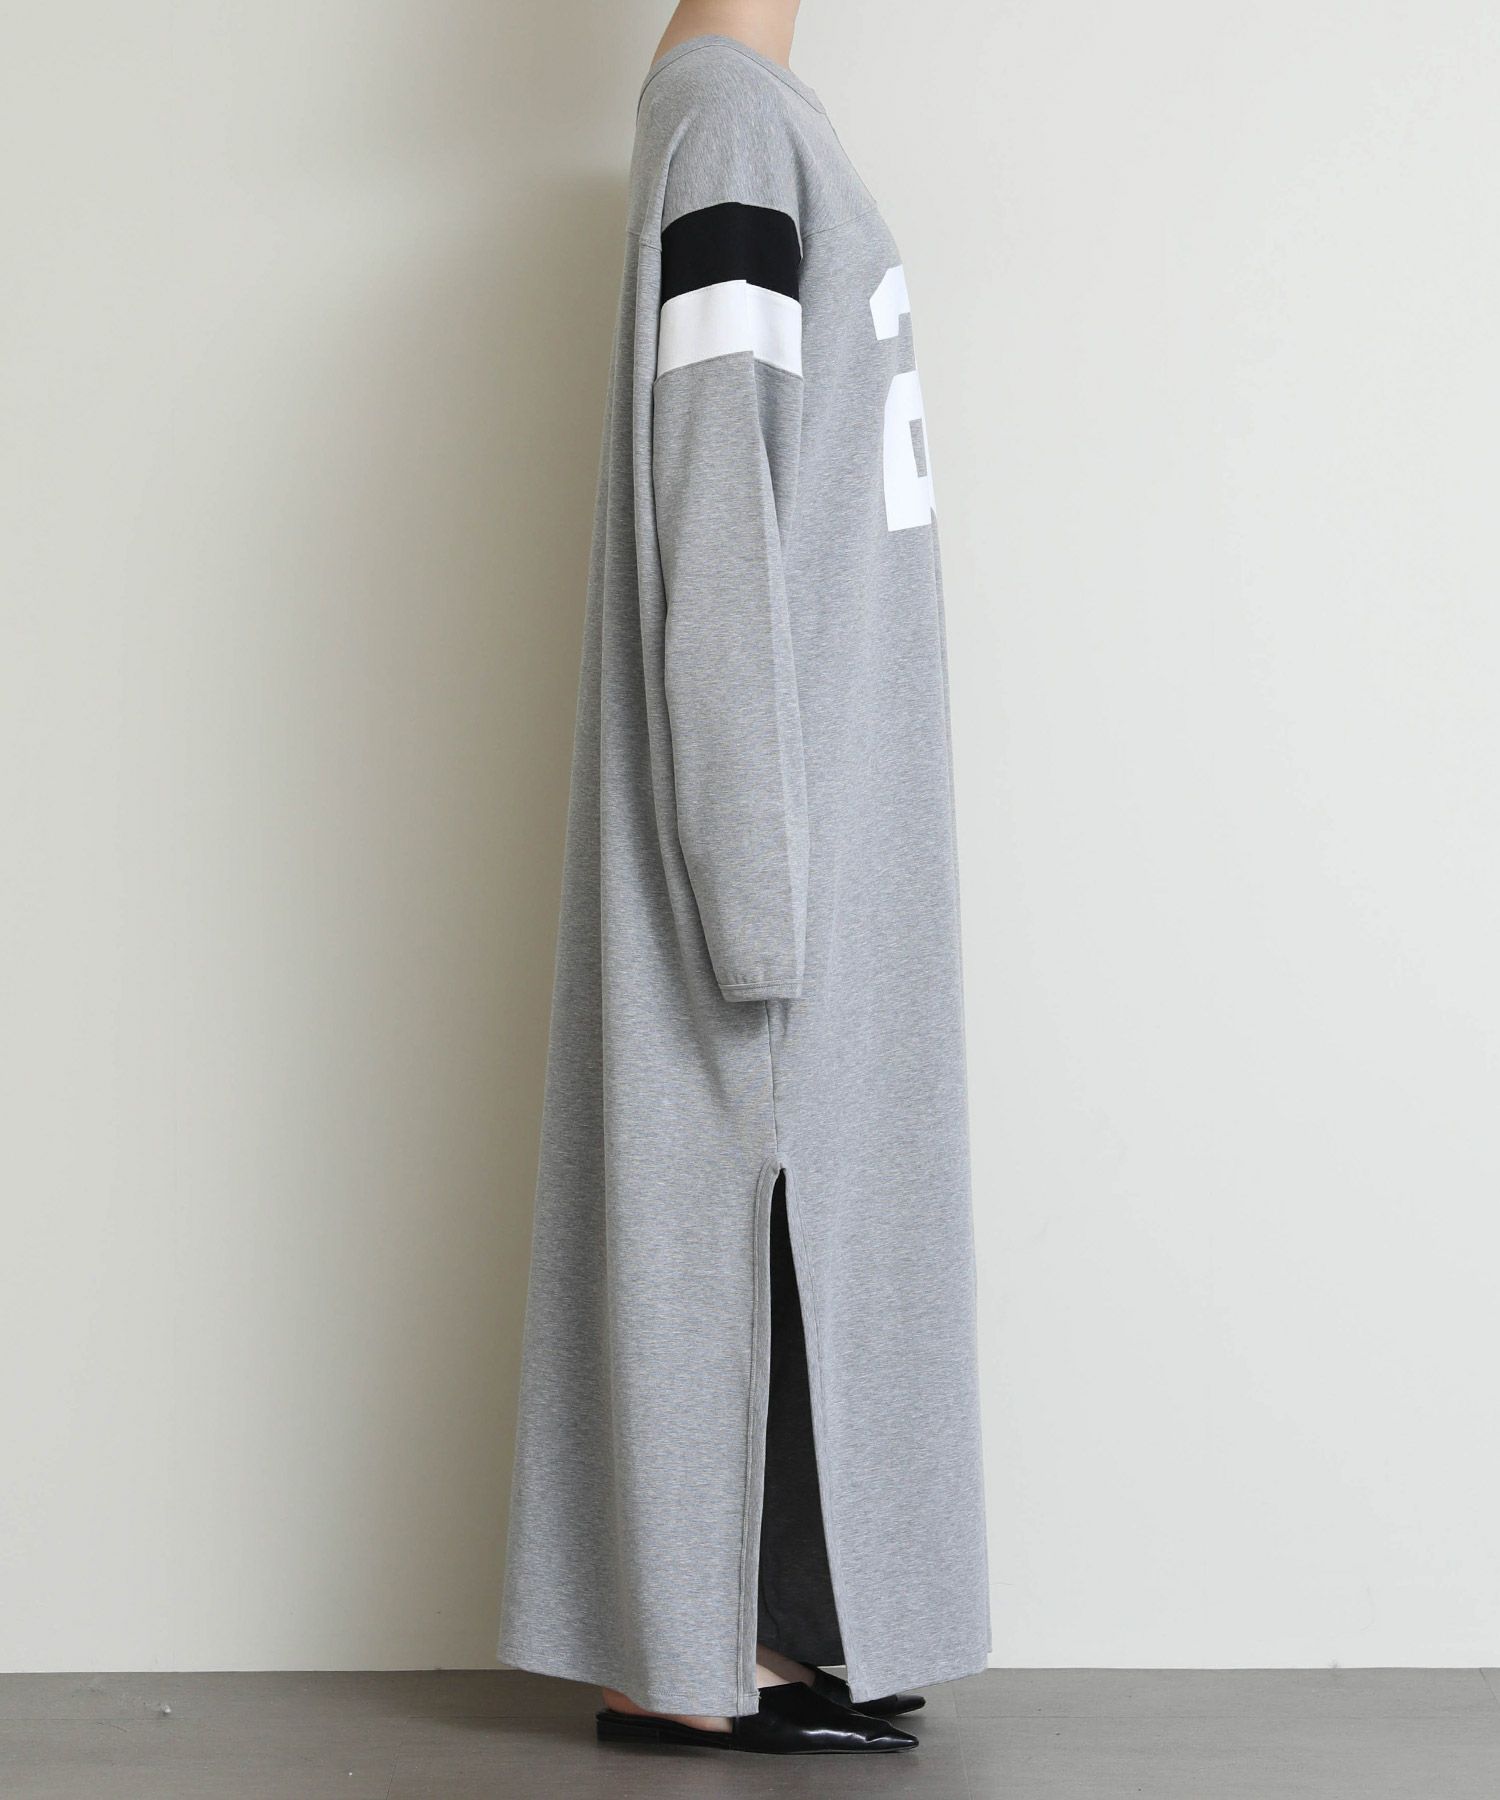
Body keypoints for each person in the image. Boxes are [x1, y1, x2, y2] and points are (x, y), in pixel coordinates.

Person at [498, 0, 990, 1756]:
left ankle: (767, 1629)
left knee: (814, 1222)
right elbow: (715, 506)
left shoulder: (754, 119)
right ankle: (695, 1656)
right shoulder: (729, 126)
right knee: (749, 1200)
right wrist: (753, 879)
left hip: (829, 802)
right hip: (788, 820)